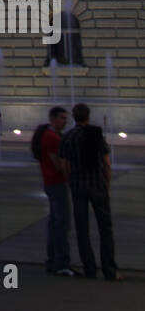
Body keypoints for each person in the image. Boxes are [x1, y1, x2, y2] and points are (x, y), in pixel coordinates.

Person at [60, 102, 119, 281]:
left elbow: (65, 165)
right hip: (97, 185)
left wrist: (71, 182)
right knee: (105, 228)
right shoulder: (96, 135)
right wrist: (106, 184)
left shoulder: (68, 137)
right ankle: (109, 269)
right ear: (88, 116)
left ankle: (90, 268)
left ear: (74, 116)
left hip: (78, 186)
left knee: (82, 229)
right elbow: (106, 163)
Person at [34, 105, 76, 276]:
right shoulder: (52, 138)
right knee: (62, 223)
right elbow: (58, 164)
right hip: (56, 183)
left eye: (66, 118)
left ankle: (52, 261)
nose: (65, 121)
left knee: (54, 223)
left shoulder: (52, 136)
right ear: (52, 119)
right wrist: (71, 175)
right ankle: (61, 262)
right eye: (61, 118)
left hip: (51, 183)